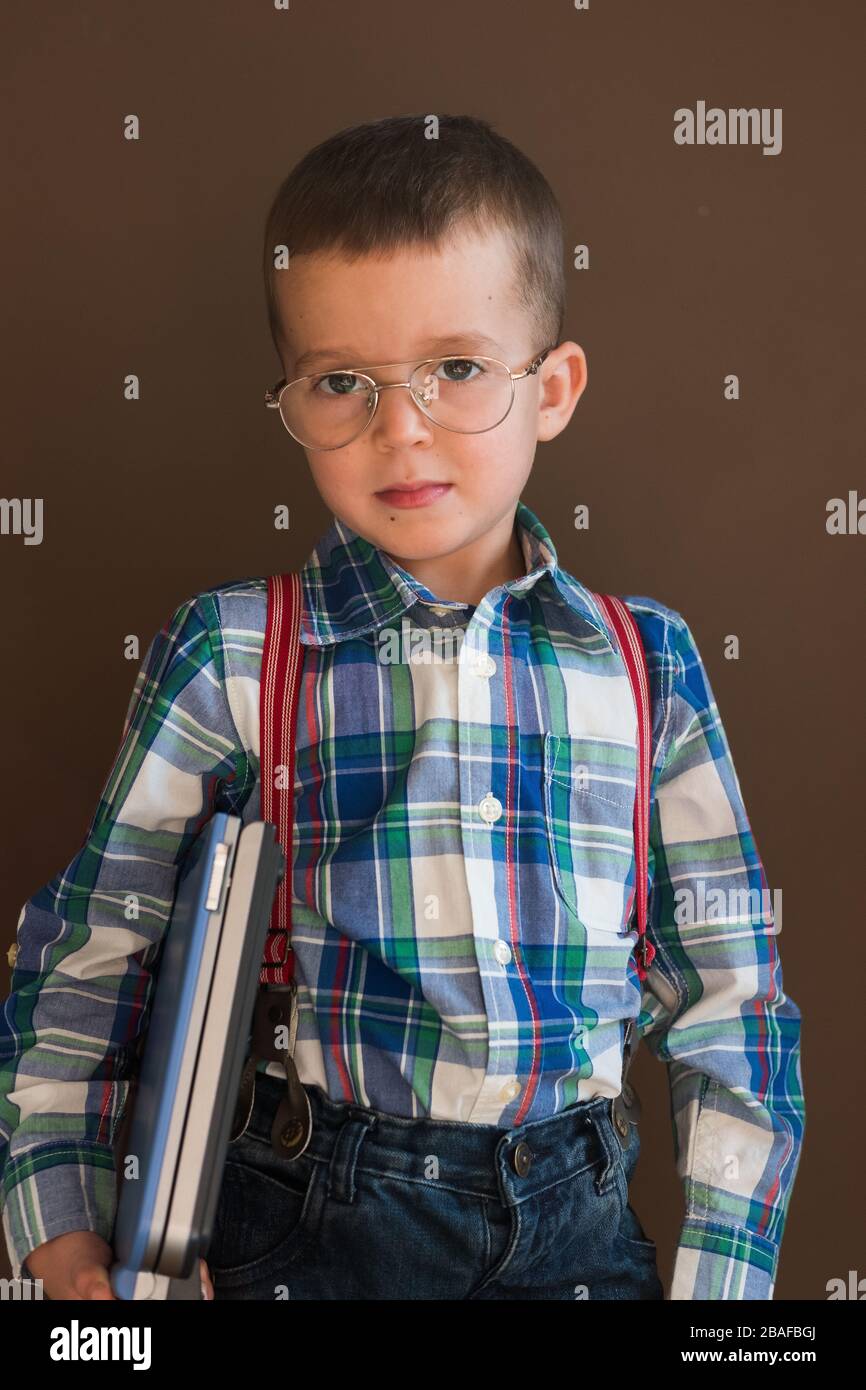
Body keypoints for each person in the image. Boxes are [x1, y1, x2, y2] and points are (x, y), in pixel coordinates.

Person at [0, 113, 804, 1301]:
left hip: (579, 1224)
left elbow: (730, 999)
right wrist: (63, 1238)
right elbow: (87, 959)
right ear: (288, 398)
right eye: (342, 382)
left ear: (552, 389)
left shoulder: (651, 663)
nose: (401, 427)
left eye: (459, 368)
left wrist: (722, 1291)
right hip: (307, 1220)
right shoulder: (231, 652)